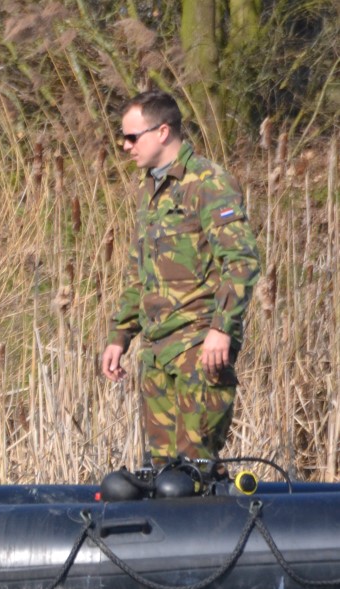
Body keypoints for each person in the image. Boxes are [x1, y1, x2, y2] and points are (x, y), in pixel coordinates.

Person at [99, 89, 260, 466]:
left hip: (198, 347)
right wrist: (120, 336)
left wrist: (221, 328)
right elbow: (140, 273)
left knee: (194, 468)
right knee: (161, 472)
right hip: (157, 351)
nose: (125, 146)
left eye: (131, 137)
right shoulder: (152, 190)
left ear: (163, 132)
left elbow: (241, 260)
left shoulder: (208, 183)